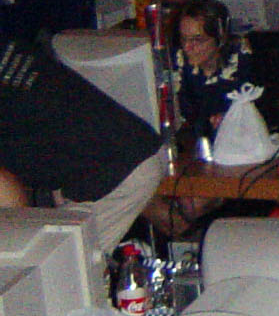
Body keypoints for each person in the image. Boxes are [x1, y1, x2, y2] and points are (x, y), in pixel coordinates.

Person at [0, 31, 170, 250]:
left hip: (117, 175)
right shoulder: (8, 47)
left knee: (63, 262)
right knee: (66, 260)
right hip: (120, 155)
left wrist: (18, 247)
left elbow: (10, 197)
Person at [173, 0, 246, 144]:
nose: (187, 47)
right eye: (183, 39)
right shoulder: (179, 63)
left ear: (220, 37)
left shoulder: (241, 62)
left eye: (197, 40)